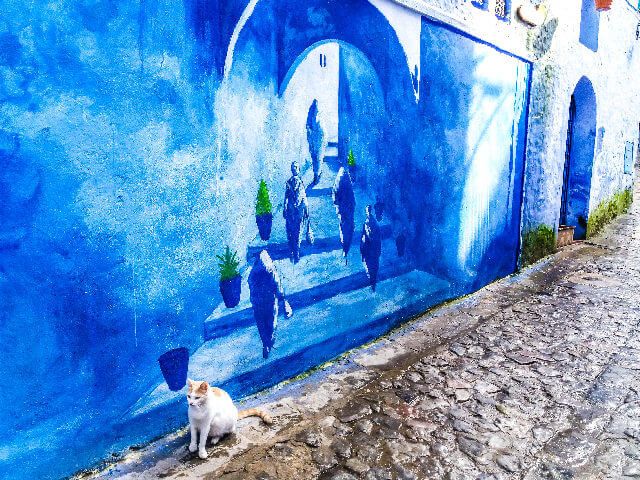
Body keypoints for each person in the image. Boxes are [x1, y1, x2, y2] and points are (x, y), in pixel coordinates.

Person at [248, 250, 292, 359]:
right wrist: (282, 298)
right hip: (270, 301)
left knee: (261, 324)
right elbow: (277, 284)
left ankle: (265, 344)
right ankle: (269, 342)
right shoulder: (271, 270)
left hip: (258, 303)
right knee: (271, 323)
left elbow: (251, 288)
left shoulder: (253, 274)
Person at [283, 161, 309, 263]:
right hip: (290, 211)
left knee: (298, 231)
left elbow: (304, 196)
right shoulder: (288, 182)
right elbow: (286, 196)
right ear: (291, 170)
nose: (294, 169)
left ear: (299, 170)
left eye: (296, 168)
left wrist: (306, 208)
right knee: (290, 231)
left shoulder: (301, 182)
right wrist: (285, 208)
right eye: (293, 168)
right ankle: (292, 251)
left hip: (299, 212)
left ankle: (296, 251)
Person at [332, 167, 355, 262]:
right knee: (347, 229)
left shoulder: (339, 181)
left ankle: (345, 248)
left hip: (344, 210)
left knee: (345, 228)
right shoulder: (345, 181)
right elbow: (351, 198)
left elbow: (335, 197)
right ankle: (345, 248)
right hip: (346, 210)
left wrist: (338, 206)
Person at [360, 205, 382, 291]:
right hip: (369, 251)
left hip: (372, 252)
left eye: (368, 210)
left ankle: (373, 284)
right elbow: (363, 238)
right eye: (367, 211)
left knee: (373, 268)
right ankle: (372, 283)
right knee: (371, 268)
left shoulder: (372, 224)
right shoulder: (367, 223)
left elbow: (377, 239)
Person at [306, 99, 325, 185]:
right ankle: (317, 175)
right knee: (316, 158)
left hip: (316, 140)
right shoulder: (314, 117)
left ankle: (316, 175)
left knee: (316, 158)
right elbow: (309, 127)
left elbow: (310, 128)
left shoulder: (314, 118)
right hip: (314, 140)